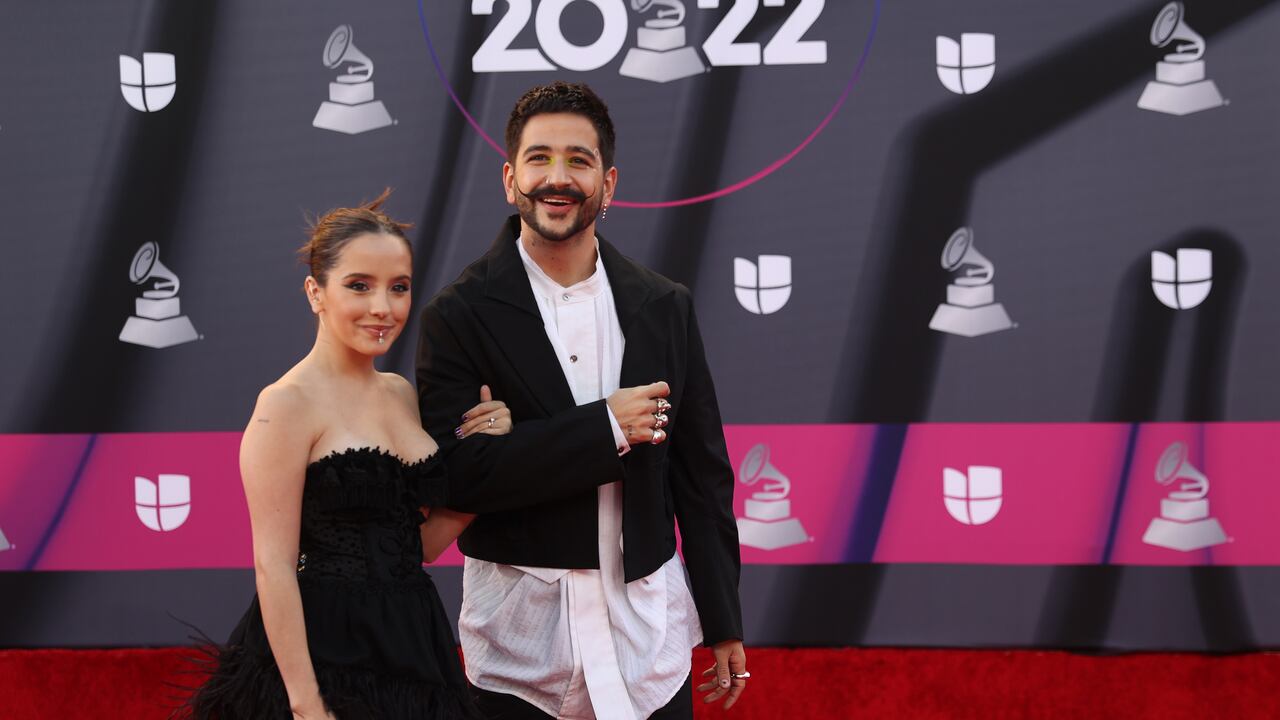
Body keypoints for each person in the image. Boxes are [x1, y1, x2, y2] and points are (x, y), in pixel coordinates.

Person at [416, 82, 748, 719]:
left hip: (648, 644)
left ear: (609, 182)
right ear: (510, 179)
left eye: (579, 159)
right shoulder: (457, 316)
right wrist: (605, 428)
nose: (558, 177)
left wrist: (723, 619)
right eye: (539, 159)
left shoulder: (664, 305)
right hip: (520, 655)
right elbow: (459, 477)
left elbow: (701, 479)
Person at [183, 192, 505, 719]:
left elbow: (416, 547)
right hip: (322, 655)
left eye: (398, 288)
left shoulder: (401, 392)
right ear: (316, 292)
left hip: (414, 645)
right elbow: (273, 567)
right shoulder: (284, 405)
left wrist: (488, 458)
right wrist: (307, 706)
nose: (383, 307)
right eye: (360, 286)